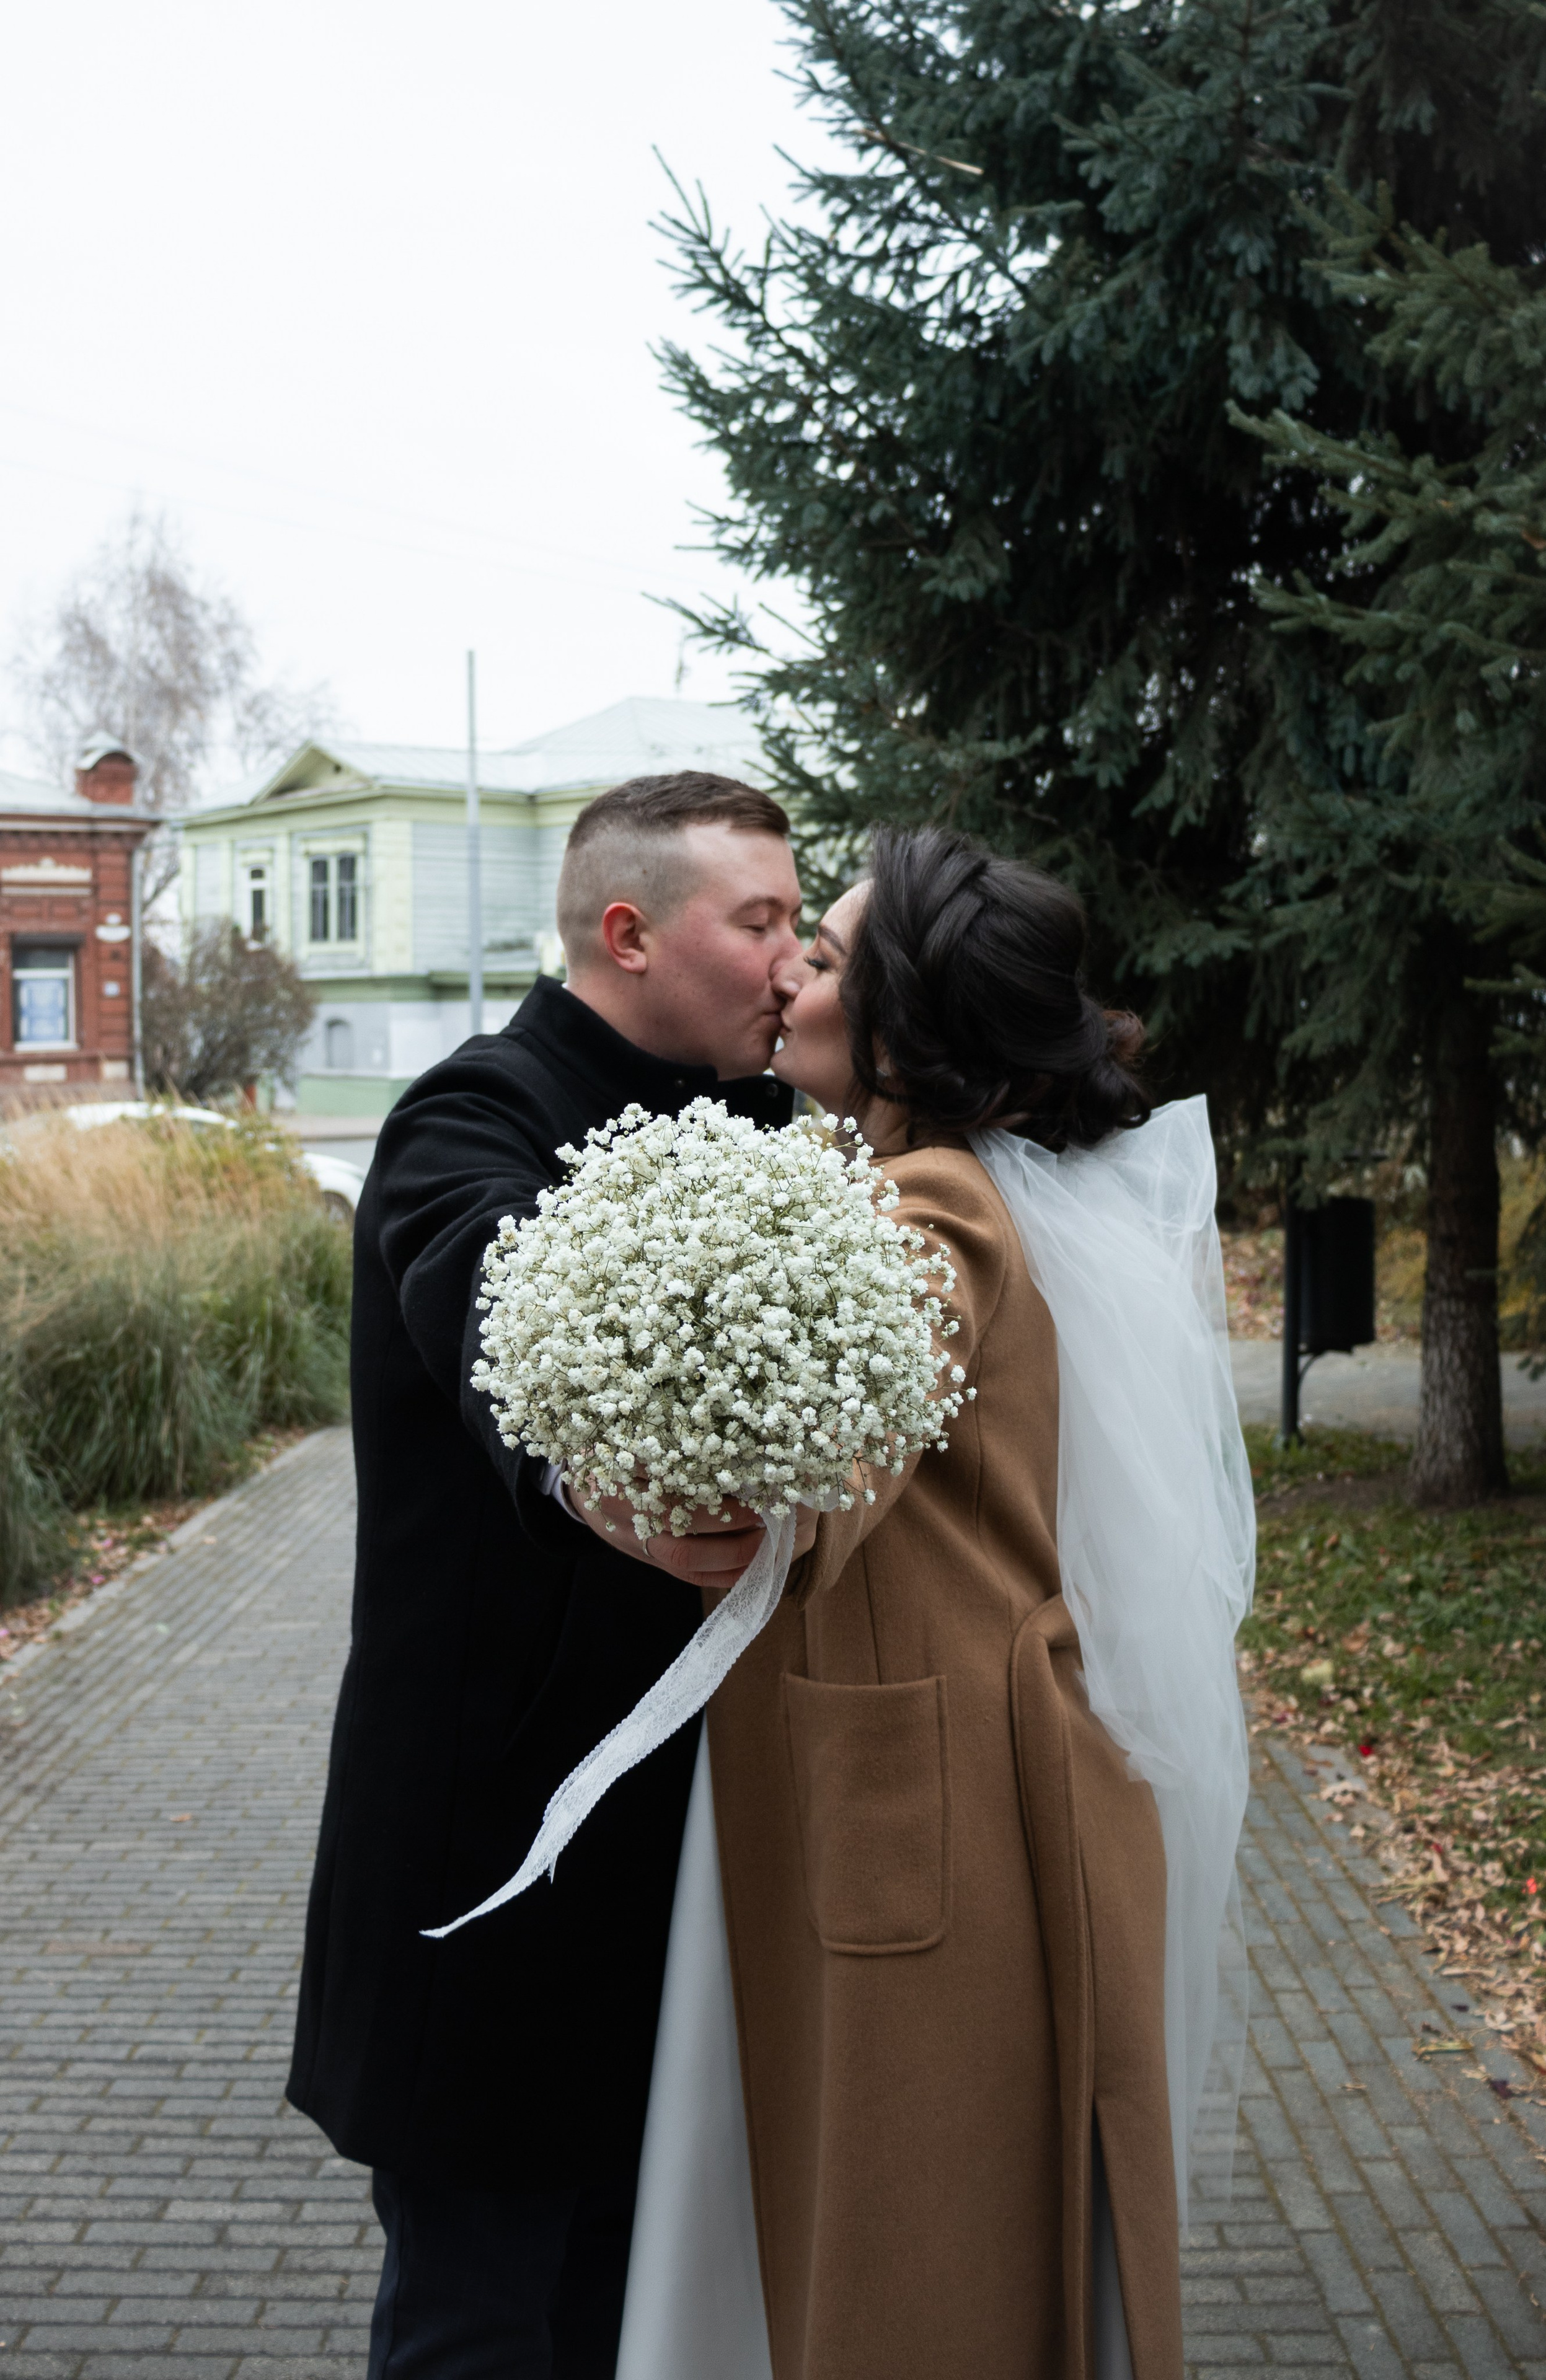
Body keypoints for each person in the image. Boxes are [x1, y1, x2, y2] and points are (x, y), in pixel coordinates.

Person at [684, 825, 1252, 2380]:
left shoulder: (931, 1215)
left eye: (831, 952)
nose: (796, 969)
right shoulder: (912, 1183)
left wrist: (639, 1439)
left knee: (925, 2263)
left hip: (951, 1813)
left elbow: (802, 1462)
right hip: (951, 1779)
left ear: (905, 1021)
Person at [286, 772, 803, 2379]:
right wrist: (602, 1483)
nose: (791, 964)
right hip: (490, 1881)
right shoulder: (471, 1112)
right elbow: (482, 1292)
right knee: (476, 2330)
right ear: (634, 932)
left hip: (688, 1885)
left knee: (626, 2324)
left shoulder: (770, 1123)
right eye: (763, 922)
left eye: (803, 926)